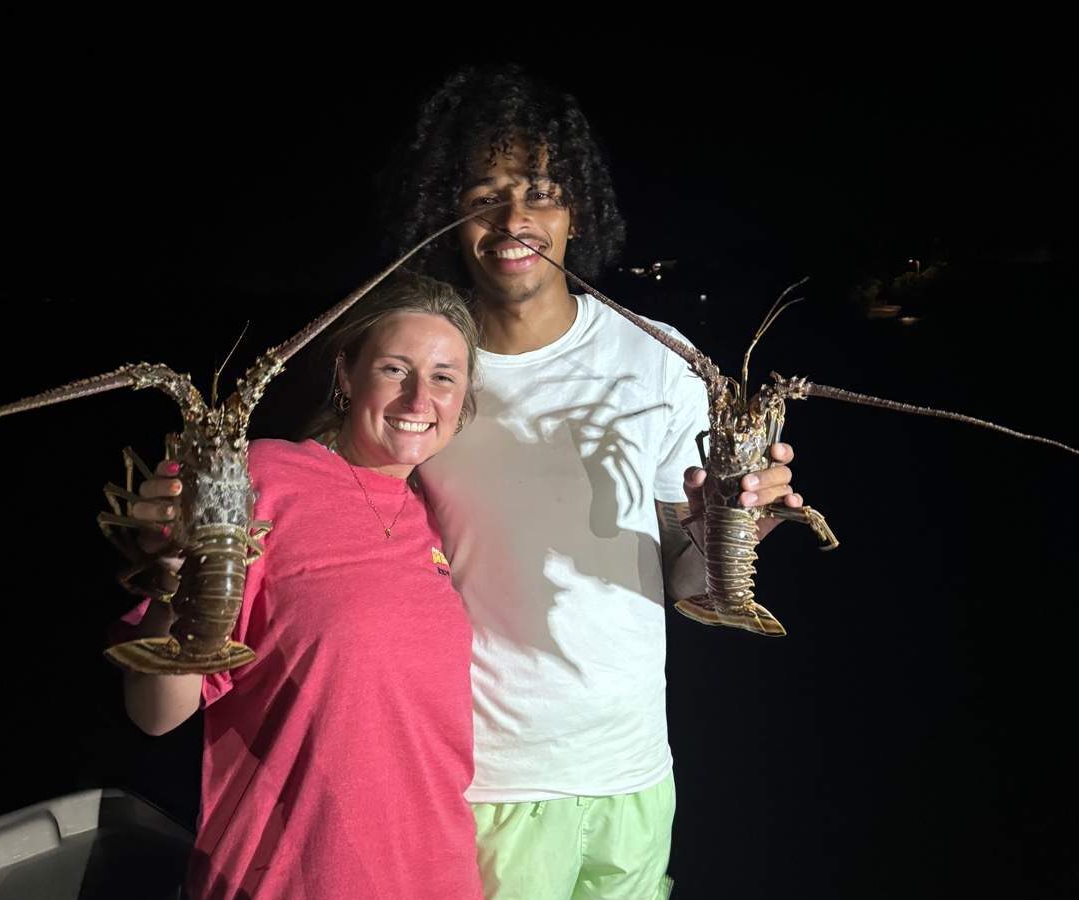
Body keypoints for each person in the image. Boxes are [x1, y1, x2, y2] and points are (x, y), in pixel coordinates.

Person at [391, 65, 804, 899]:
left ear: (577, 210)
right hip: (489, 782)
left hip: (637, 770)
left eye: (541, 192)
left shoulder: (663, 356)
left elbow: (683, 579)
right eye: (486, 193)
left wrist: (737, 530)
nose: (515, 220)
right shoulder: (420, 374)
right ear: (449, 213)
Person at [115, 273, 485, 900]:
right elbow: (155, 714)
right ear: (346, 374)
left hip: (437, 875)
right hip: (285, 879)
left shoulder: (438, 513)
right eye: (395, 369)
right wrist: (173, 569)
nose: (420, 397)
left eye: (445, 377)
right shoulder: (262, 476)